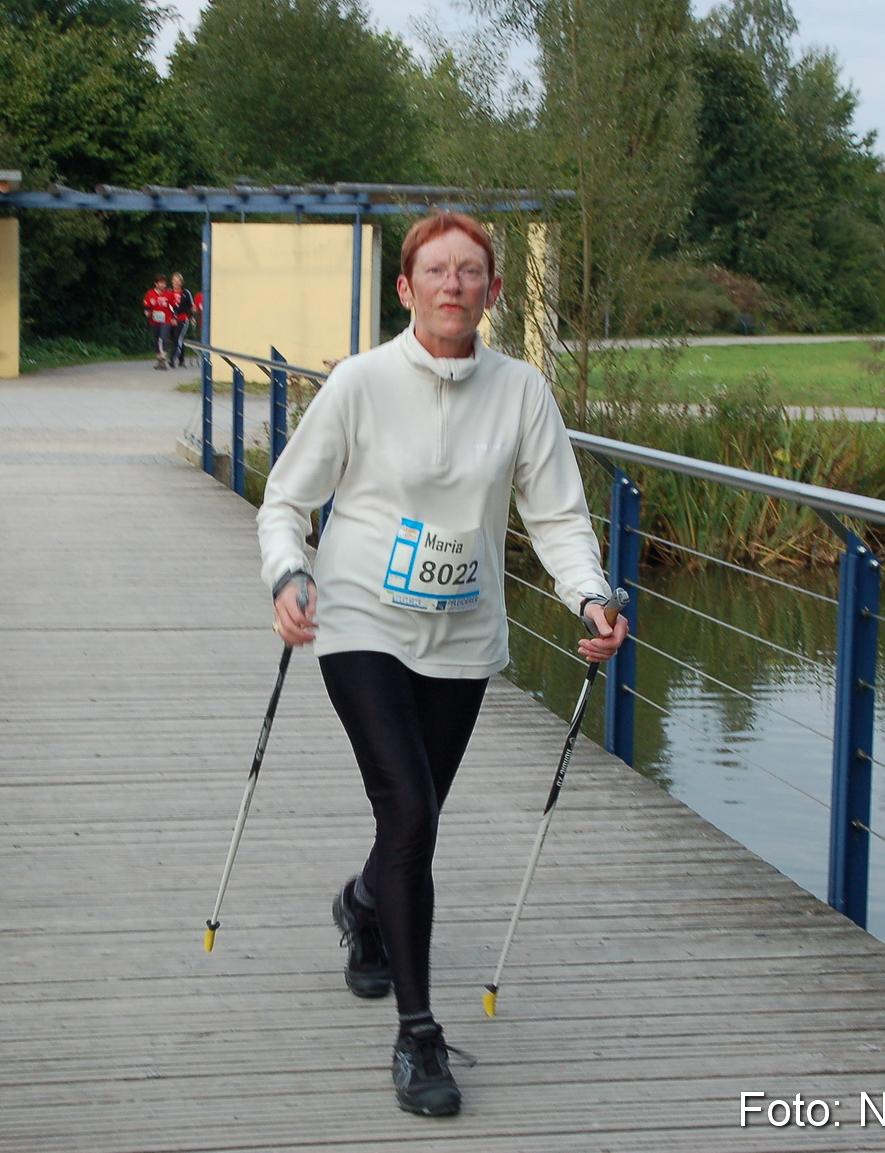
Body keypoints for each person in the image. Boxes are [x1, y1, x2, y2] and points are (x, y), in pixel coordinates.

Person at [256, 212, 628, 1117]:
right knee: (411, 807)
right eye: (436, 271)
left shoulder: (523, 392)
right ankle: (419, 1035)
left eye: (471, 272)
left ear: (495, 293)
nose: (453, 285)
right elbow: (285, 500)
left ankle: (363, 903)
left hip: (462, 636)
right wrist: (289, 571)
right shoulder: (360, 382)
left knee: (411, 824)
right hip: (359, 622)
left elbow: (558, 516)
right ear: (406, 288)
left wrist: (591, 594)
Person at [143, 274, 174, 369]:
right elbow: (146, 305)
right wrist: (147, 312)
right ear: (156, 284)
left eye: (164, 283)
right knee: (156, 339)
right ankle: (159, 359)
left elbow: (174, 307)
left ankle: (163, 358)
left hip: (166, 319)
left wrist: (174, 317)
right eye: (161, 283)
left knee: (163, 337)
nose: (163, 285)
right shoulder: (150, 293)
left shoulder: (169, 294)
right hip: (154, 320)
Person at [169, 272, 197, 368]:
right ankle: (181, 359)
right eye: (174, 280)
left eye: (178, 281)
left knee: (178, 338)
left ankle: (172, 359)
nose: (175, 283)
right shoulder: (169, 292)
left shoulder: (186, 293)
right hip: (172, 319)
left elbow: (192, 306)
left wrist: (193, 316)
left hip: (183, 319)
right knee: (176, 340)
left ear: (181, 282)